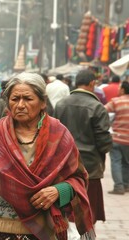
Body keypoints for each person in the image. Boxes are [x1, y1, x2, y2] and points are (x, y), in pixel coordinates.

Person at [0, 72, 94, 240]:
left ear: (42, 102)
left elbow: (79, 179)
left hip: (46, 232)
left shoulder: (59, 135)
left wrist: (59, 190)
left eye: (27, 99)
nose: (20, 105)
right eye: (15, 99)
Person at [54, 69, 112, 228]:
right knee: (88, 209)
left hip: (64, 165)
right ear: (92, 83)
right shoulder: (97, 107)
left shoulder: (60, 105)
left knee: (66, 207)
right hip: (90, 167)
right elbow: (104, 141)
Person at [104, 81, 129, 194]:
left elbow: (102, 111)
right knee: (126, 162)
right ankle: (126, 185)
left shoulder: (116, 101)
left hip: (117, 137)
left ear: (123, 90)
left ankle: (119, 187)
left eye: (119, 88)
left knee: (116, 162)